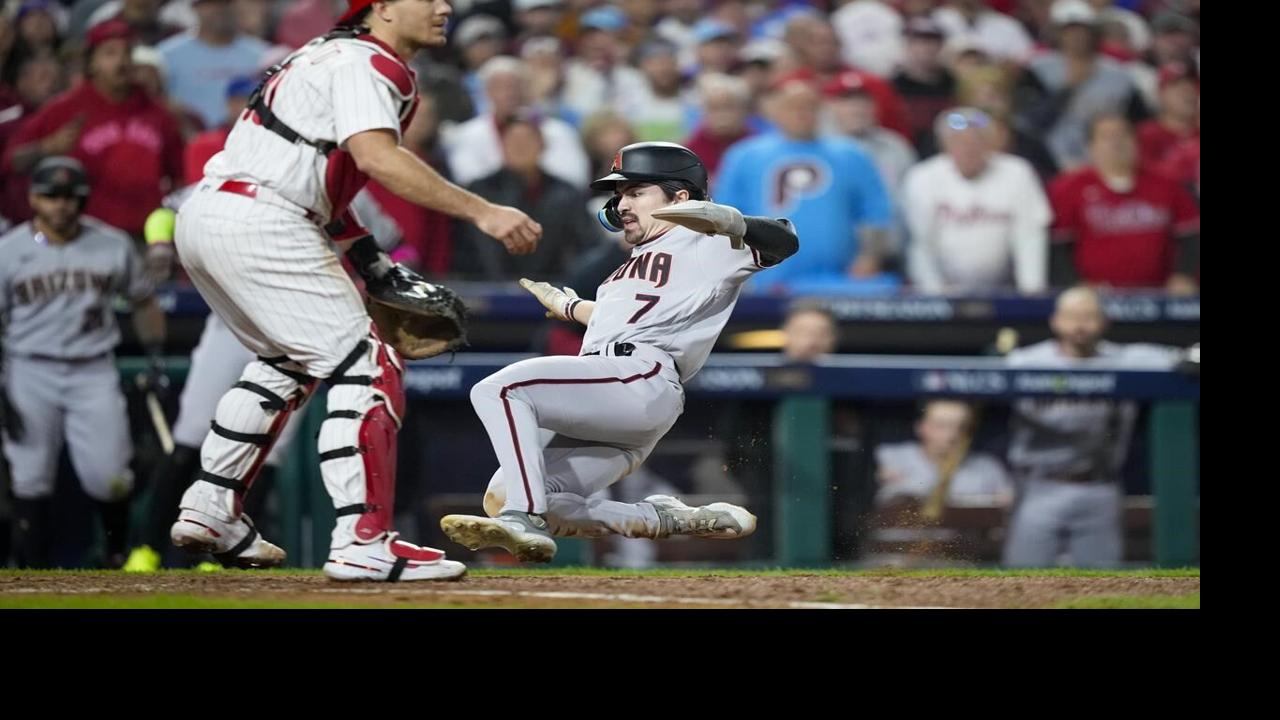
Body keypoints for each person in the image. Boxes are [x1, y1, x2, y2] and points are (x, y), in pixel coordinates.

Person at [168, 0, 543, 582]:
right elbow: (376, 159)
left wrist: (370, 260)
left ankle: (212, 505)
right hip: (267, 220)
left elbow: (328, 182)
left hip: (214, 215)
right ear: (384, 8)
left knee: (287, 363)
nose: (445, 7)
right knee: (368, 366)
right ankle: (363, 540)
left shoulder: (322, 55)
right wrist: (484, 211)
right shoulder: (373, 62)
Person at [439, 141, 799, 562]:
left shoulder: (705, 240)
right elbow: (625, 316)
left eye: (635, 191)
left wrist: (729, 221)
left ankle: (523, 516)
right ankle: (662, 519)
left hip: (640, 377)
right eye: (619, 195)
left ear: (679, 197)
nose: (622, 204)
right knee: (503, 495)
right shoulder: (627, 265)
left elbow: (785, 239)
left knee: (499, 390)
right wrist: (570, 307)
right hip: (613, 392)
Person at [0, 156, 166, 568]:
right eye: (51, 195)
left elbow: (143, 300)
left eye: (69, 196)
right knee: (29, 475)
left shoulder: (110, 244)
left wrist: (155, 357)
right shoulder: (8, 251)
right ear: (34, 199)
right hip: (28, 367)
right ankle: (30, 572)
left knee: (109, 475)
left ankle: (116, 555)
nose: (61, 205)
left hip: (92, 368)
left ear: (83, 200)